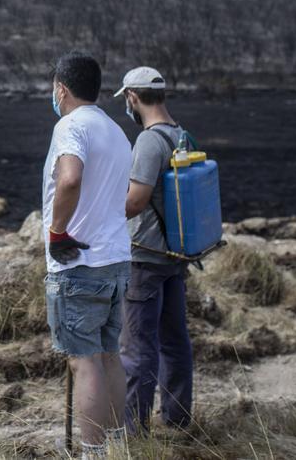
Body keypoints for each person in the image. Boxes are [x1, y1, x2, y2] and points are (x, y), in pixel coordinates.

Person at [42, 51, 134, 460]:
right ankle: (117, 447)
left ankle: (93, 453)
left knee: (83, 363)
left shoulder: (70, 126)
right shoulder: (116, 130)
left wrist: (57, 231)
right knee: (109, 355)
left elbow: (70, 178)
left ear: (61, 88)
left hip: (79, 264)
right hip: (116, 260)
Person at [115, 66, 195, 434]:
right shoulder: (181, 135)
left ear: (133, 97)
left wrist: (101, 211)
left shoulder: (149, 141)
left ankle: (135, 432)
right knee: (174, 341)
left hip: (145, 256)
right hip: (174, 255)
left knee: (137, 348)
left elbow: (135, 202)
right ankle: (178, 420)